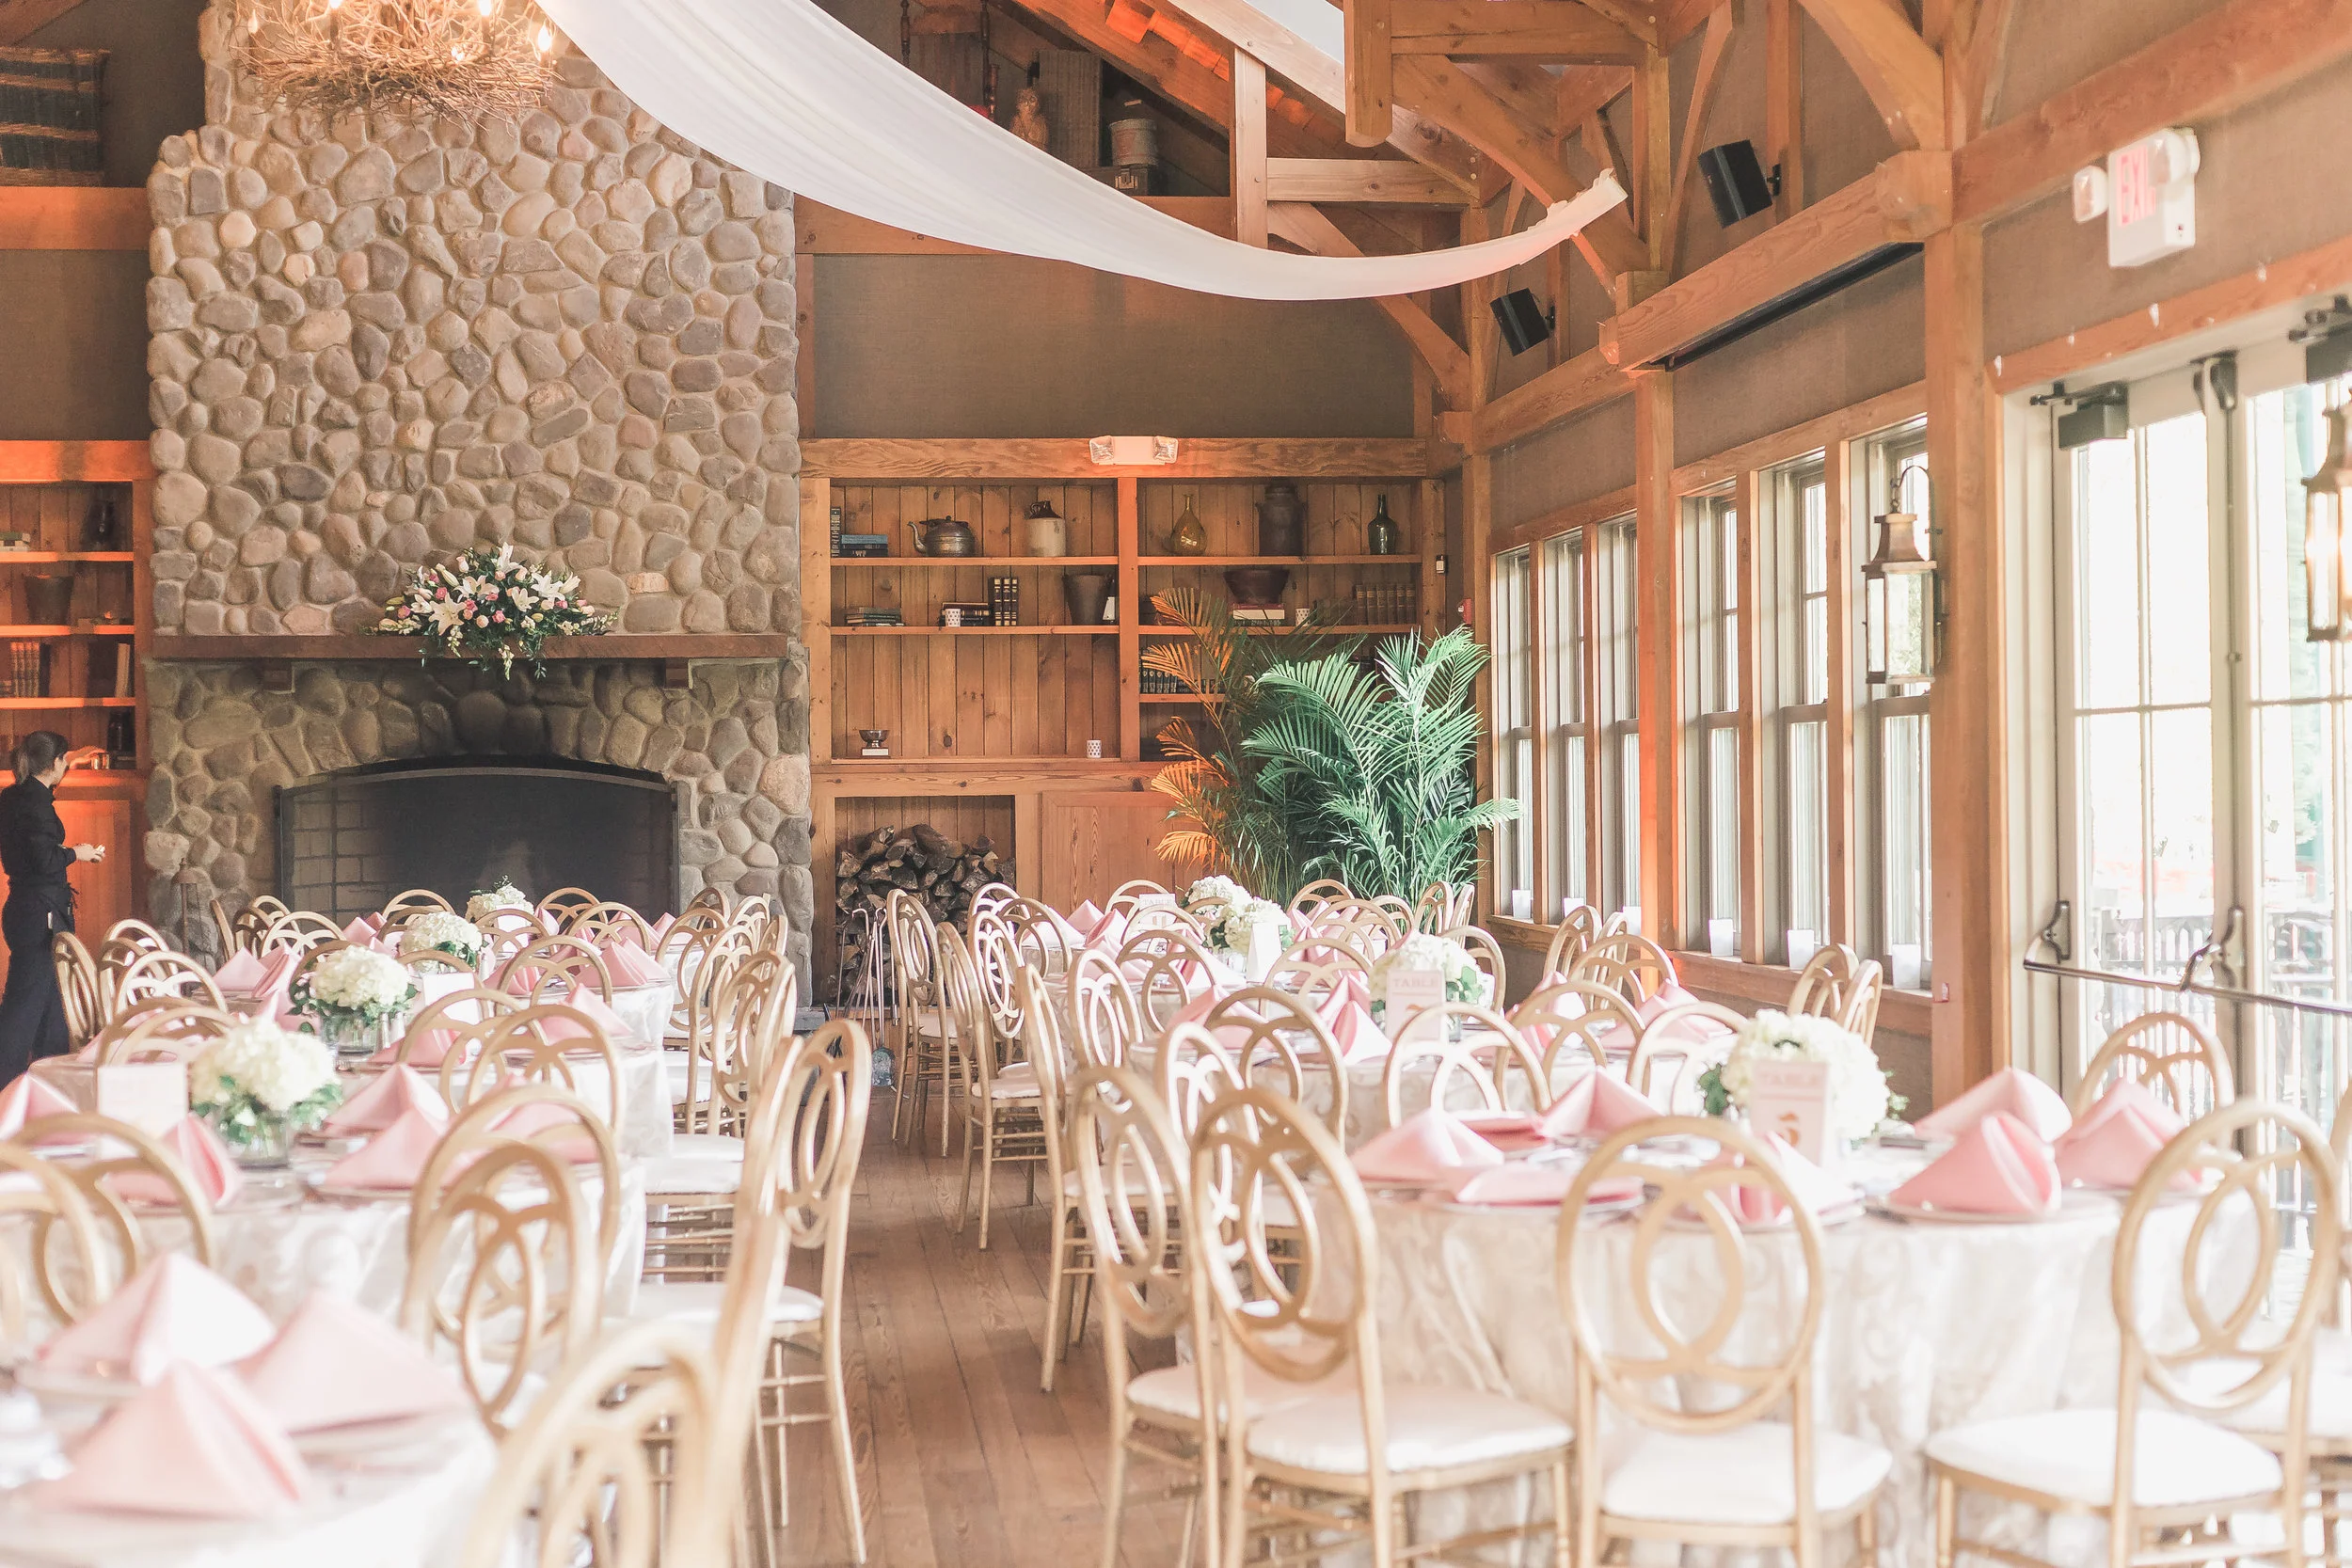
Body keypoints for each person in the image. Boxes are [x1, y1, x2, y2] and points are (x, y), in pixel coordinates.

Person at [0, 732, 103, 1085]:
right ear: (54, 763)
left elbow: (33, 852)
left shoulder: (13, 795)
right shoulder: (36, 805)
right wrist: (78, 853)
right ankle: (5, 1089)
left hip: (26, 909)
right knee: (23, 1009)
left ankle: (50, 1083)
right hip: (40, 913)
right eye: (63, 760)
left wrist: (71, 757)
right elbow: (44, 860)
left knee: (51, 1005)